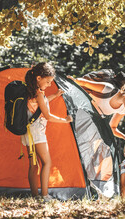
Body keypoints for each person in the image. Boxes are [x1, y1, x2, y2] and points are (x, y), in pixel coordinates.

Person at [22, 62, 73, 202]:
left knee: (33, 165)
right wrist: (65, 120)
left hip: (27, 132)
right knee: (47, 162)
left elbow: (40, 104)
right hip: (37, 133)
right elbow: (48, 116)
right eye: (48, 81)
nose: (50, 84)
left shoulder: (31, 91)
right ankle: (45, 196)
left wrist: (55, 96)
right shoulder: (38, 94)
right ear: (39, 78)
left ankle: (35, 196)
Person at [68, 74, 125, 142]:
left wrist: (123, 136)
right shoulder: (108, 89)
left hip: (88, 120)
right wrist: (73, 81)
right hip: (77, 109)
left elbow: (113, 127)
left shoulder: (123, 109)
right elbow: (85, 83)